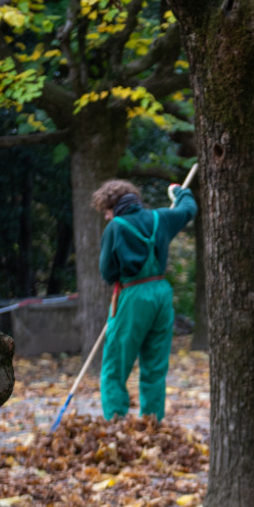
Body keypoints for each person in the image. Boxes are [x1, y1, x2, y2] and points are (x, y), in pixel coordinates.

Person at [94, 179, 197, 421]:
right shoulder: (162, 218)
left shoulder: (116, 228)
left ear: (113, 206)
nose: (107, 217)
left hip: (133, 295)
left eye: (106, 212)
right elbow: (189, 208)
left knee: (115, 368)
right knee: (154, 367)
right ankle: (153, 425)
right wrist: (179, 193)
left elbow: (107, 273)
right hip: (161, 294)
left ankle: (116, 423)